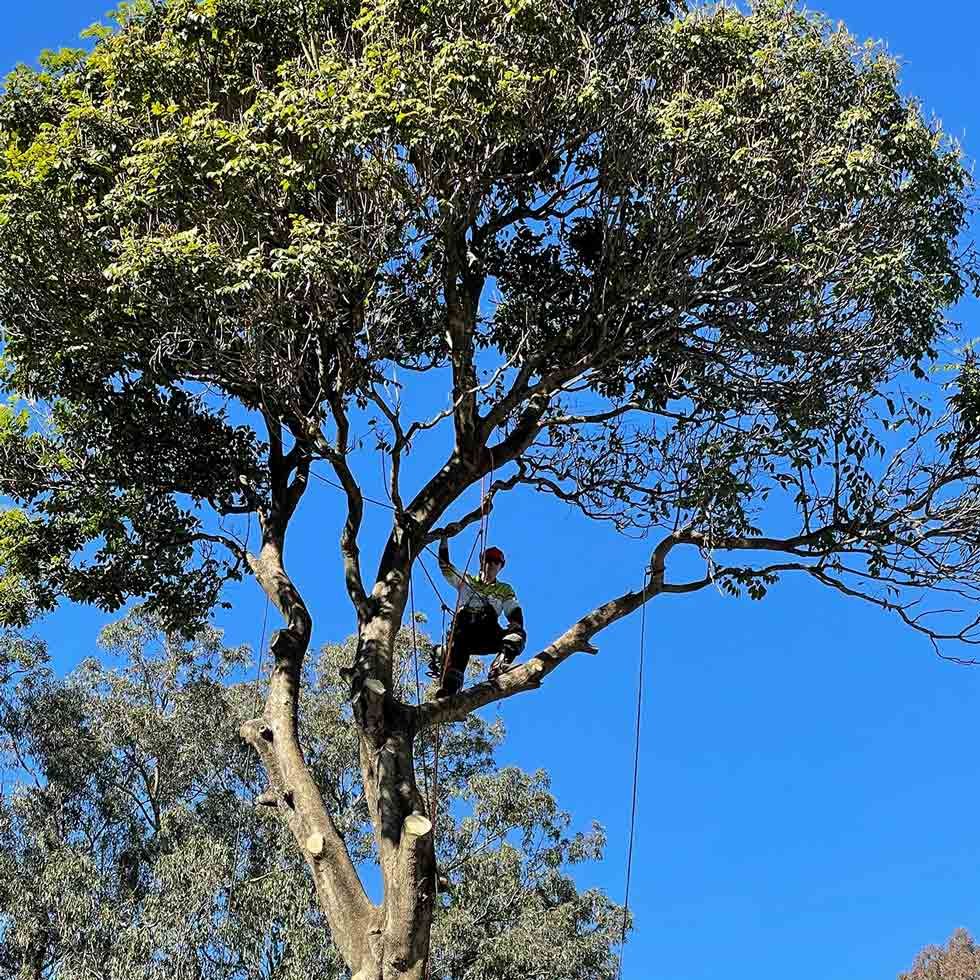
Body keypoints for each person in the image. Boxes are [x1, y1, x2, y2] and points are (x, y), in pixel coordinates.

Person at [431, 536, 527, 698]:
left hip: (487, 633)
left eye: (496, 562)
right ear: (481, 561)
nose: (491, 564)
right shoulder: (466, 580)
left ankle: (499, 666)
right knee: (456, 657)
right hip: (464, 634)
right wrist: (444, 540)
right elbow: (445, 567)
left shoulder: (504, 589)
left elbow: (513, 607)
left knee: (518, 636)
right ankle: (449, 691)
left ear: (500, 567)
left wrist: (515, 622)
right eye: (488, 560)